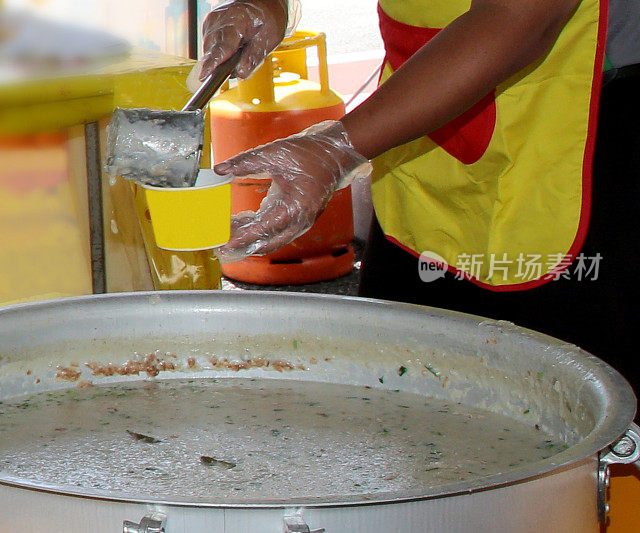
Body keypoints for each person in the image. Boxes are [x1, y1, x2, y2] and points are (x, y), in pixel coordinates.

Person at [194, 0, 640, 394]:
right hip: (418, 140)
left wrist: (337, 149)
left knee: (572, 404)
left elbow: (519, 18)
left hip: (582, 135)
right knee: (401, 384)